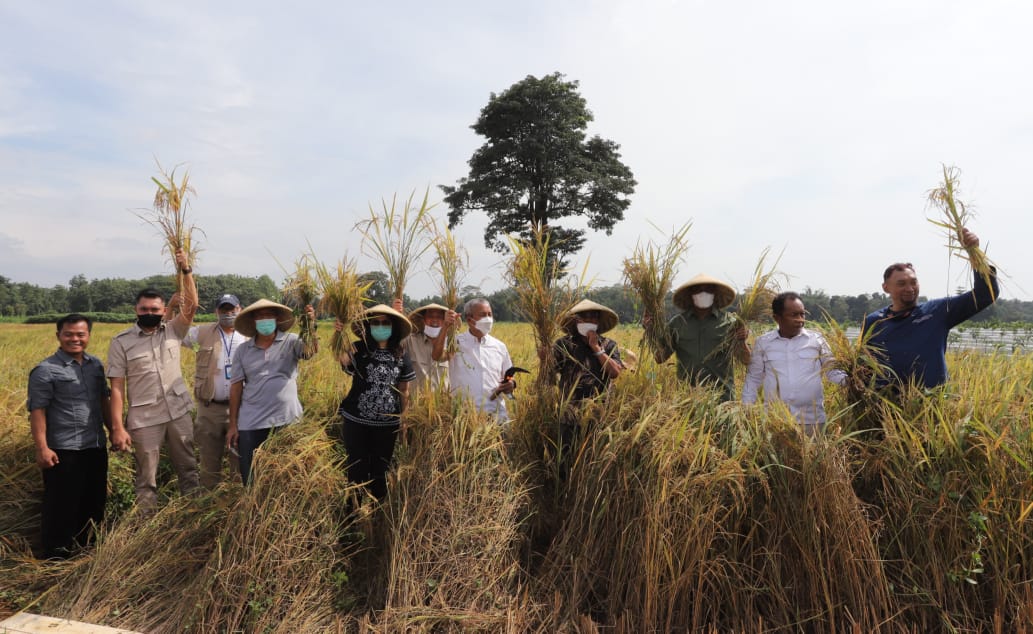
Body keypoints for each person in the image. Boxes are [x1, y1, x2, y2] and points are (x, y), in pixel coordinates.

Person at [28, 314, 131, 558]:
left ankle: (87, 550)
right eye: (69, 334)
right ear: (58, 336)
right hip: (63, 449)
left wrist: (114, 430)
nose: (75, 339)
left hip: (94, 445)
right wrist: (42, 447)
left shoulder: (95, 365)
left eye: (80, 334)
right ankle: (56, 555)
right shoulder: (45, 370)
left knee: (93, 501)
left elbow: (103, 401)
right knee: (61, 505)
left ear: (88, 336)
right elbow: (37, 411)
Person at [107, 249, 200, 510]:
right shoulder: (121, 342)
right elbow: (117, 389)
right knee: (146, 478)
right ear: (136, 310)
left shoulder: (173, 330)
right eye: (144, 308)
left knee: (189, 469)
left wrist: (186, 270)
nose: (149, 312)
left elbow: (192, 304)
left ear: (163, 310)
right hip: (144, 419)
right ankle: (145, 524)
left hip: (178, 412)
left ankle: (193, 516)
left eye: (155, 308)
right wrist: (117, 427)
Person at [861, 227, 998, 390]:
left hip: (931, 403)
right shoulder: (874, 322)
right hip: (886, 406)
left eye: (913, 282)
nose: (910, 288)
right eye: (901, 284)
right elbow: (863, 366)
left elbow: (985, 295)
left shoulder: (937, 312)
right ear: (886, 288)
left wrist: (974, 253)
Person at [227, 299, 317, 485]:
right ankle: (253, 511)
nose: (264, 319)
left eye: (268, 315)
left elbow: (310, 351)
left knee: (288, 476)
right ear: (253, 321)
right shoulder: (243, 351)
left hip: (287, 419)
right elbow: (236, 388)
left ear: (276, 318)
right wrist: (233, 424)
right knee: (251, 477)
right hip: (252, 423)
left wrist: (311, 326)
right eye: (260, 316)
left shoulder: (291, 341)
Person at [336, 304, 416, 500]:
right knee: (356, 470)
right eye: (376, 323)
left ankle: (378, 516)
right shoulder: (360, 347)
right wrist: (339, 335)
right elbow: (344, 361)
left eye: (385, 323)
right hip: (356, 422)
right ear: (368, 326)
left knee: (381, 471)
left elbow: (404, 390)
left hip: (387, 425)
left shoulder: (401, 352)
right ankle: (352, 516)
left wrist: (404, 420)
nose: (381, 326)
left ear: (393, 327)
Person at [742, 292, 846, 433]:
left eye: (802, 314)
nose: (800, 320)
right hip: (775, 421)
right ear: (777, 318)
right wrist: (746, 409)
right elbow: (753, 378)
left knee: (813, 455)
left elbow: (832, 371)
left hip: (812, 421)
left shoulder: (817, 340)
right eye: (793, 315)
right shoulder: (763, 343)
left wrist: (853, 380)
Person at [649, 273, 750, 401]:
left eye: (708, 289)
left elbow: (747, 361)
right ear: (690, 294)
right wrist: (651, 330)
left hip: (723, 400)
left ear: (715, 293)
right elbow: (659, 358)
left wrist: (742, 341)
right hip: (687, 399)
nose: (703, 293)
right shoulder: (678, 323)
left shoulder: (731, 323)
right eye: (698, 289)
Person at [544, 299, 624, 462]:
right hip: (569, 414)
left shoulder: (608, 345)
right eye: (585, 317)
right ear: (576, 320)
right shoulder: (563, 345)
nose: (590, 321)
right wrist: (543, 361)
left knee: (594, 458)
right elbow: (548, 377)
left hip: (598, 413)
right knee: (565, 459)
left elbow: (615, 372)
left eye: (594, 317)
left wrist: (596, 349)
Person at [182, 293, 248, 489]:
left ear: (240, 310)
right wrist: (179, 307)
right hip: (210, 409)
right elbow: (176, 333)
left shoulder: (249, 335)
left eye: (232, 309)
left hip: (243, 410)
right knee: (209, 463)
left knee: (240, 462)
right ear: (216, 312)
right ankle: (210, 506)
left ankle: (236, 504)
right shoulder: (201, 333)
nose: (228, 313)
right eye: (224, 310)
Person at [449, 298, 516, 421]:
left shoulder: (499, 346)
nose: (488, 319)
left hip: (496, 416)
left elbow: (509, 375)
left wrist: (510, 384)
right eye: (483, 315)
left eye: (490, 314)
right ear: (469, 319)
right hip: (464, 418)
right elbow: (437, 356)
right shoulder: (455, 343)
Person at [391, 299, 459, 395]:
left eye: (439, 317)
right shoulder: (410, 340)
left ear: (444, 320)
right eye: (430, 316)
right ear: (423, 320)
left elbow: (441, 358)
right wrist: (395, 316)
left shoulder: (450, 344)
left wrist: (445, 328)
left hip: (441, 403)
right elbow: (392, 343)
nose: (434, 320)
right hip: (415, 404)